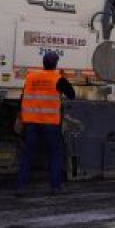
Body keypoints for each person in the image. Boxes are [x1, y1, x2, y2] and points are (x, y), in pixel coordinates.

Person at [16, 51, 76, 197]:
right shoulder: (58, 79)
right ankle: (55, 187)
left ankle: (20, 187)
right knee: (55, 154)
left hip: (31, 123)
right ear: (55, 64)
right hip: (50, 124)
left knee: (27, 155)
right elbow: (72, 95)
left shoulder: (30, 77)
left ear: (43, 63)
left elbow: (23, 97)